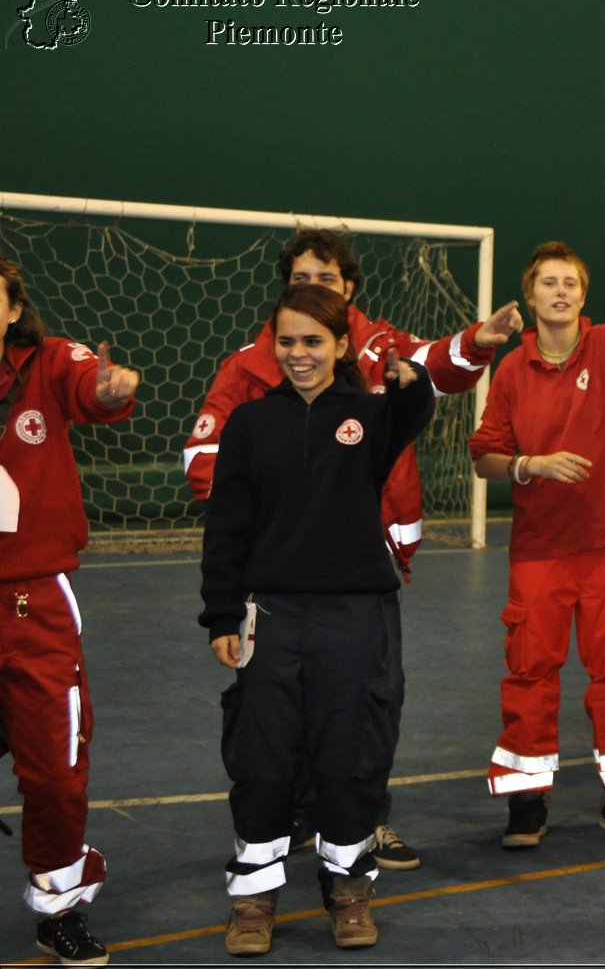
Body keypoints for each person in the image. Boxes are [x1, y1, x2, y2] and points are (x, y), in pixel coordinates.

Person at [183, 228, 521, 870]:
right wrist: (273, 517)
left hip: (365, 573)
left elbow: (431, 371)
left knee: (366, 707)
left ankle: (364, 824)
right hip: (275, 581)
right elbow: (210, 465)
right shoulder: (247, 368)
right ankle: (290, 829)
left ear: (349, 293)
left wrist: (475, 341)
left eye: (326, 281)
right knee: (275, 720)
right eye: (301, 282)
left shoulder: (379, 350)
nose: (313, 293)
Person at [200, 283, 436, 956]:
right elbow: (227, 527)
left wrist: (409, 378)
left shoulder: (370, 414)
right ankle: (253, 896)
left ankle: (349, 888)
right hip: (268, 616)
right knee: (263, 758)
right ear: (273, 344)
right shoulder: (250, 423)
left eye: (313, 340)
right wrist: (221, 613)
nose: (299, 353)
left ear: (339, 345)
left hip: (351, 616)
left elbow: (415, 409)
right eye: (288, 340)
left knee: (348, 757)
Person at [471, 242, 605, 845]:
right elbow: (485, 458)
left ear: (583, 297)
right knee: (531, 672)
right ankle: (527, 801)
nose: (560, 292)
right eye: (549, 283)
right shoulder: (510, 370)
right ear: (530, 296)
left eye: (571, 284)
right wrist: (532, 465)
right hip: (538, 550)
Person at [0, 253, 137, 969]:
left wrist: (111, 388)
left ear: (13, 307)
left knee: (54, 767)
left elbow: (95, 389)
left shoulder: (49, 362)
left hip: (32, 598)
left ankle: (57, 906)